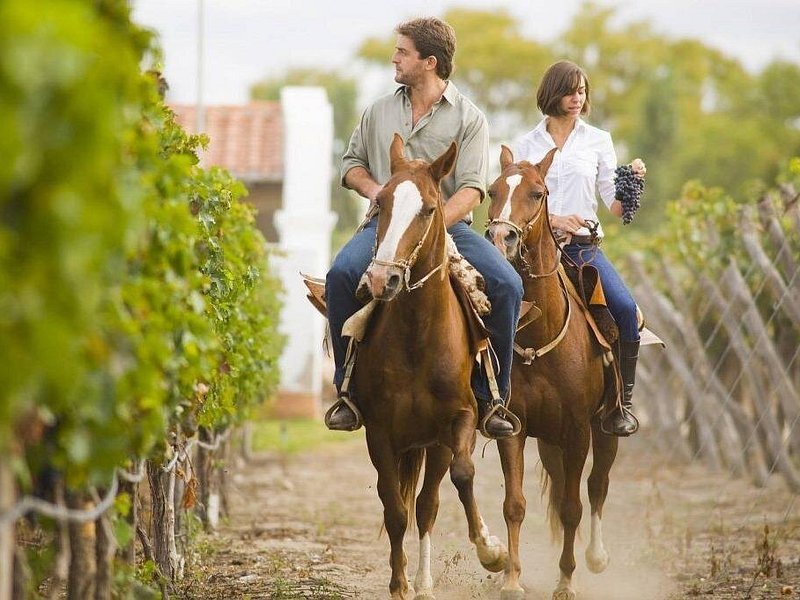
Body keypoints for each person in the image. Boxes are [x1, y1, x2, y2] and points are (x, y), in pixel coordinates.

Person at [324, 17, 523, 439]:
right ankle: (347, 392)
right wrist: (378, 191)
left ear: (429, 62)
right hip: (383, 226)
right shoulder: (378, 110)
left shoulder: (470, 119)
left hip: (450, 228)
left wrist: (431, 228)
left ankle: (493, 398)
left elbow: (470, 189)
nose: (394, 58)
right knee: (340, 275)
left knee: (508, 285)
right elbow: (351, 165)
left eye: (403, 52)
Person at [515, 60, 644, 436]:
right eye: (570, 90)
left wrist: (631, 182)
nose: (577, 98)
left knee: (624, 309)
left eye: (582, 91)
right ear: (552, 93)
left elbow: (615, 206)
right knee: (492, 303)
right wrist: (553, 220)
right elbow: (520, 201)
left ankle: (622, 403)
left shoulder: (598, 140)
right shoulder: (527, 143)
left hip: (582, 250)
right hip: (533, 251)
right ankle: (492, 397)